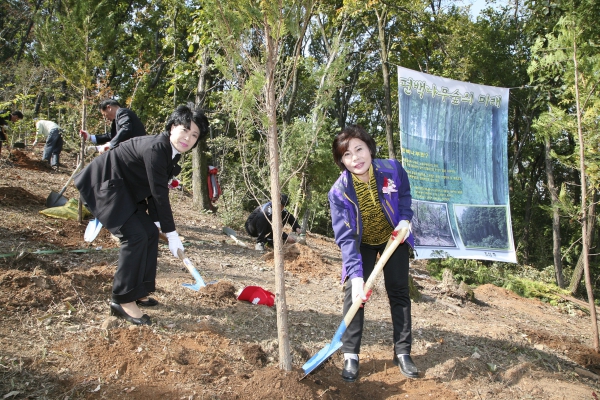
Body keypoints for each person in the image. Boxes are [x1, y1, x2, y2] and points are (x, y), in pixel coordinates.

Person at [75, 103, 209, 326]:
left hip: (125, 190)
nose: (188, 137)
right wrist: (172, 233)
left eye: (194, 134)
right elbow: (159, 193)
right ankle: (122, 299)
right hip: (104, 183)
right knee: (135, 235)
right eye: (185, 129)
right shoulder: (157, 148)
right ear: (173, 126)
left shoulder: (171, 152)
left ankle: (139, 291)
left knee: (148, 231)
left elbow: (154, 187)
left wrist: (156, 222)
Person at [328, 125, 417, 382]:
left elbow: (405, 196)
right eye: (347, 154)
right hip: (361, 244)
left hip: (393, 238)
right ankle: (350, 355)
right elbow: (346, 238)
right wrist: (356, 277)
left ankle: (402, 352)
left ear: (369, 149)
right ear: (341, 161)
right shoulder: (339, 192)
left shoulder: (392, 169)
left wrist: (405, 220)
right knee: (355, 295)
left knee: (399, 290)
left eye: (359, 149)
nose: (355, 158)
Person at [79, 99, 146, 153]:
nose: (105, 117)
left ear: (109, 108)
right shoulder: (118, 118)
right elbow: (114, 136)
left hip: (136, 149)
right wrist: (90, 137)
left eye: (104, 114)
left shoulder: (121, 112)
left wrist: (111, 144)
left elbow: (126, 129)